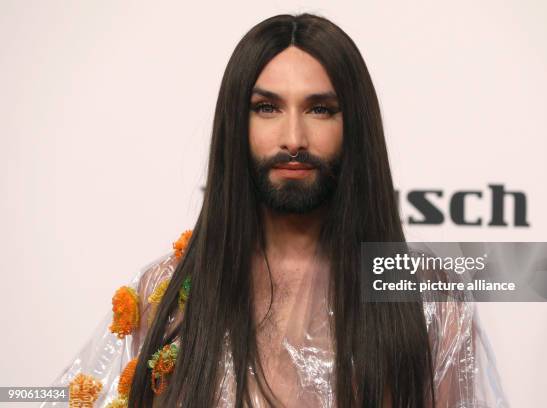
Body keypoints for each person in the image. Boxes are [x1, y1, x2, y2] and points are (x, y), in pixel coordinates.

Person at [43, 13, 508, 408]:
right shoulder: (162, 294)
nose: (293, 138)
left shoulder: (428, 299)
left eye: (320, 109)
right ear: (236, 123)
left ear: (355, 127)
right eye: (266, 107)